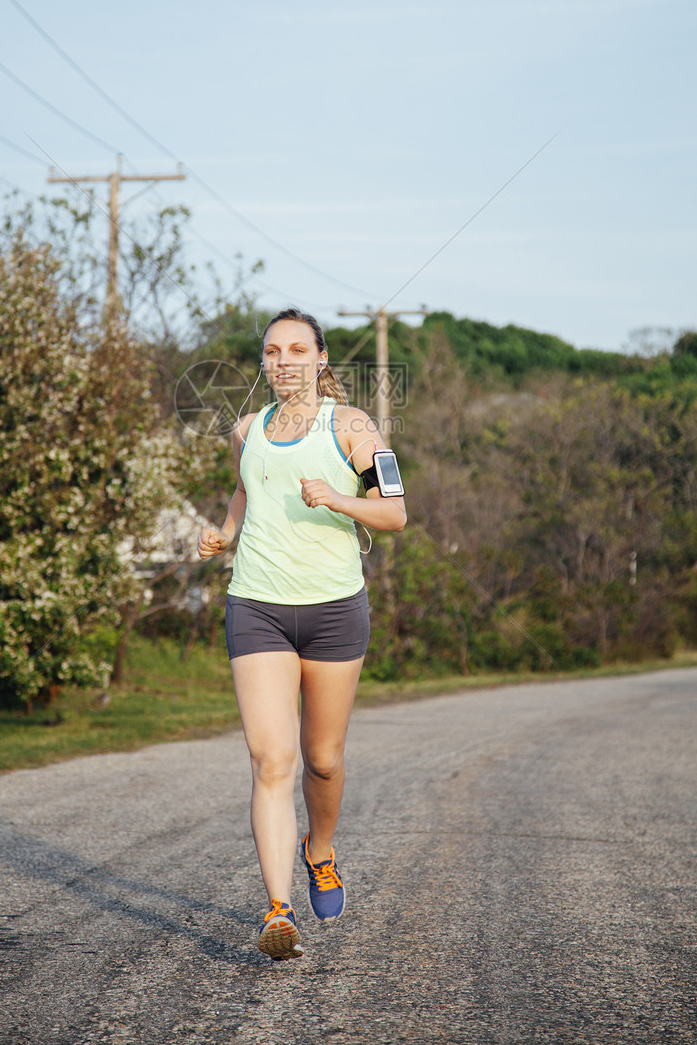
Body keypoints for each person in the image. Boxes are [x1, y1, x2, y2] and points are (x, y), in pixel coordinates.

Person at [197, 308, 406, 961]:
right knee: (271, 761)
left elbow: (395, 514)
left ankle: (320, 852)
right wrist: (225, 532)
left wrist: (338, 499)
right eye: (271, 351)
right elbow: (245, 489)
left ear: (320, 359)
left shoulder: (352, 427)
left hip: (334, 611)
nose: (282, 359)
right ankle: (277, 909)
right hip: (256, 605)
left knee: (321, 759)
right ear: (263, 362)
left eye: (296, 349)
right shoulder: (245, 429)